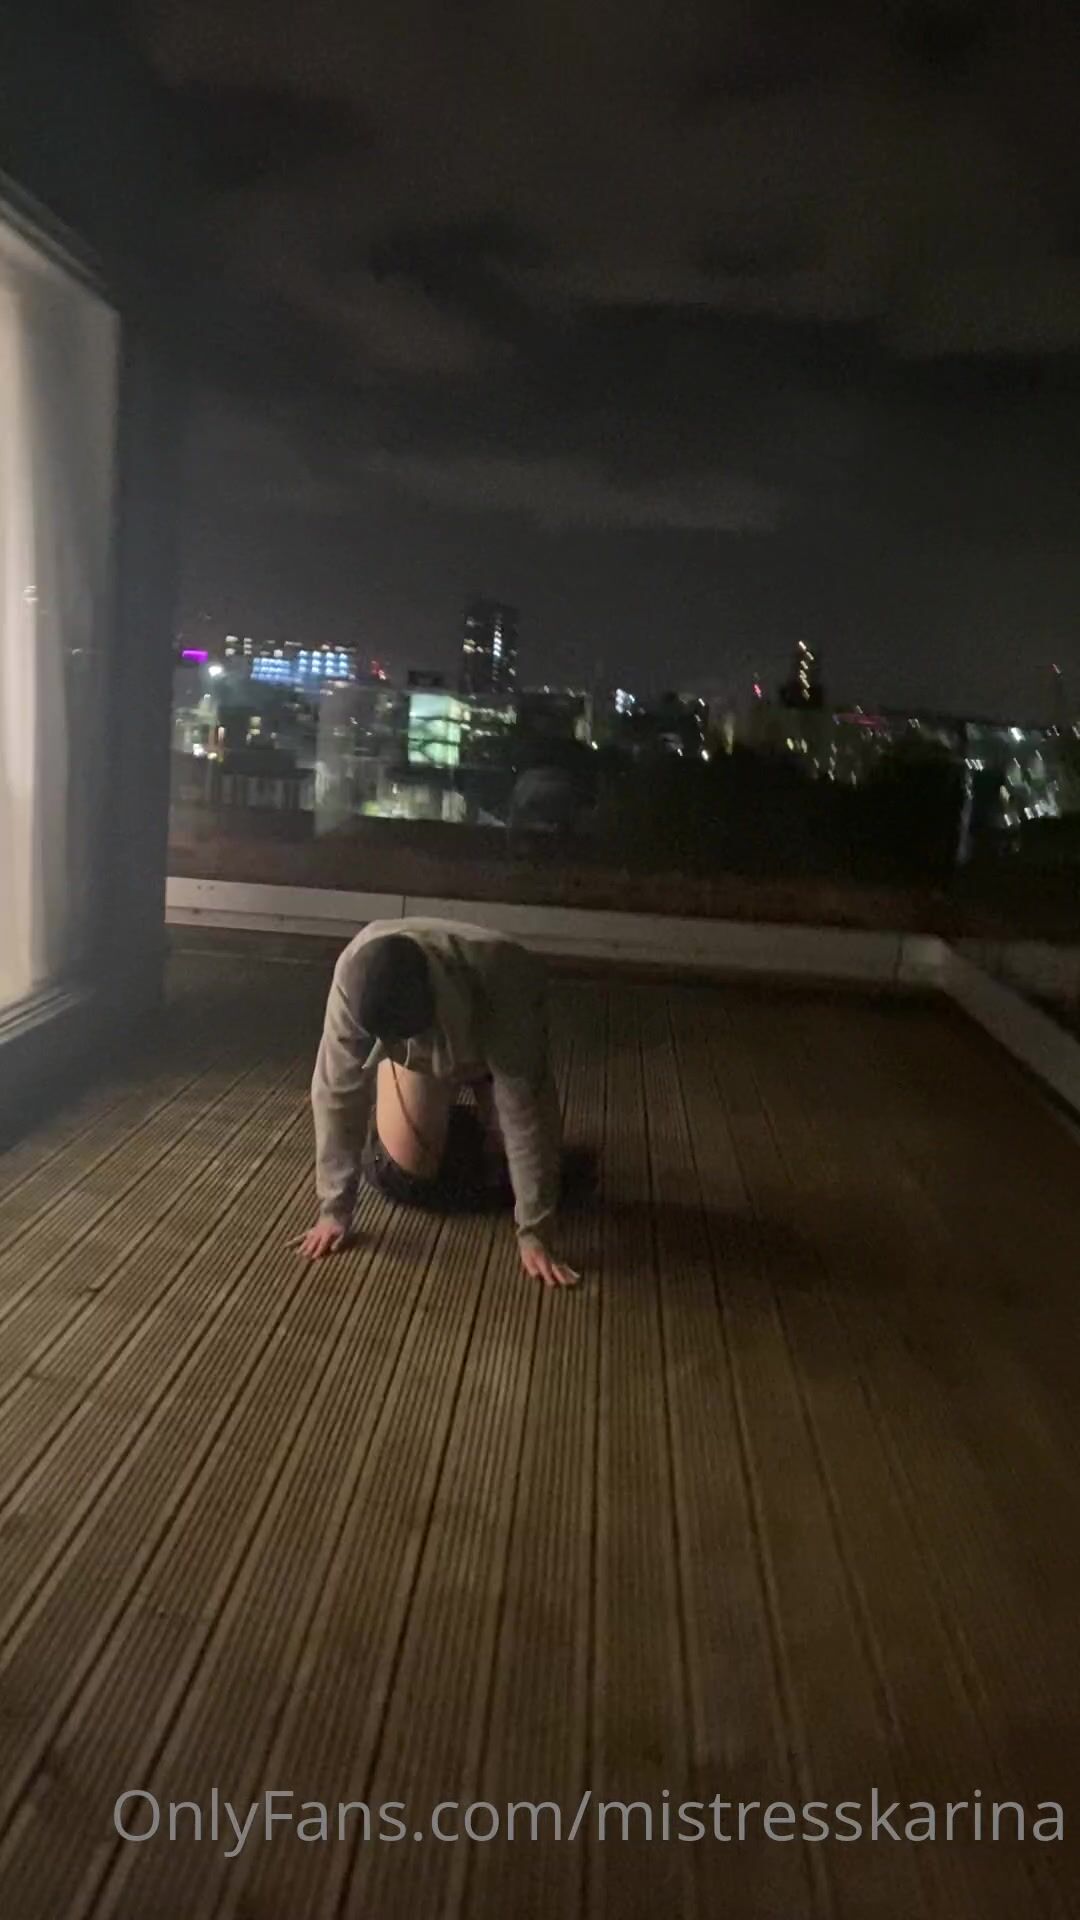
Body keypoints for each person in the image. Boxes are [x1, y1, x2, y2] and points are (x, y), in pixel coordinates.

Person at [299, 917, 579, 1288]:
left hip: (491, 1033)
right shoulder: (353, 979)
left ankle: (472, 1119)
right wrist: (334, 1209)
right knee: (411, 1169)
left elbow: (525, 1113)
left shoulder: (506, 979)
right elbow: (336, 1092)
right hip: (411, 1050)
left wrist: (535, 1232)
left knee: (508, 1163)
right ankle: (412, 1106)